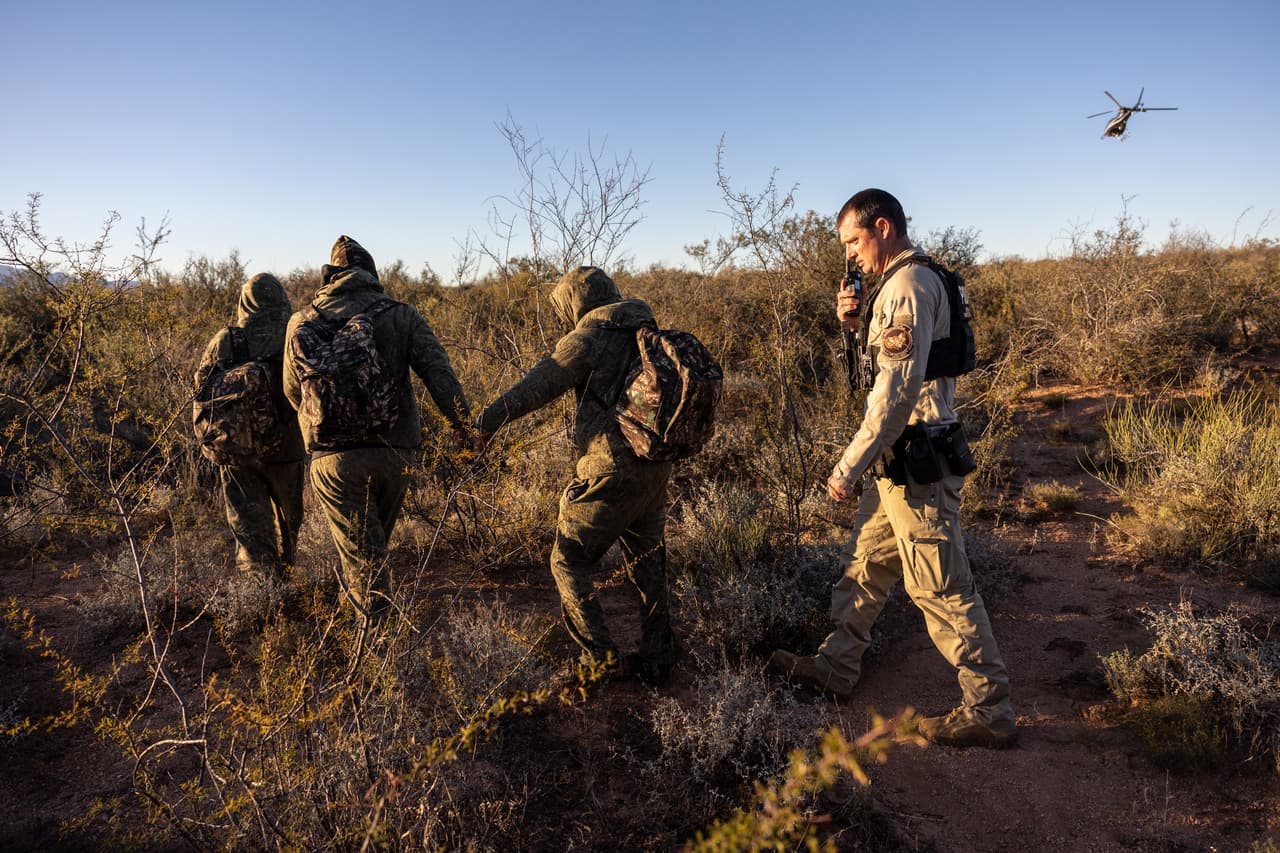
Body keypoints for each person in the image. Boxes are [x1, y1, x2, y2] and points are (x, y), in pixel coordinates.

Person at [768, 189, 1016, 748]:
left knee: (940, 586)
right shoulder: (916, 279)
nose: (850, 255)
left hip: (914, 456)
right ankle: (837, 664)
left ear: (882, 226)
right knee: (867, 562)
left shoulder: (905, 286)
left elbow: (895, 395)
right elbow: (896, 369)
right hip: (902, 458)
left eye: (854, 242)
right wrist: (854, 326)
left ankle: (990, 707)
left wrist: (846, 466)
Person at [475, 266, 680, 684]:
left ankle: (598, 662)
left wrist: (485, 421)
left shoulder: (588, 337)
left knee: (566, 559)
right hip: (655, 464)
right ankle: (659, 659)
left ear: (576, 302)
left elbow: (538, 385)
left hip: (611, 469)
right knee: (647, 562)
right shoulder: (648, 332)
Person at [282, 236, 471, 621]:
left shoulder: (300, 321)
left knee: (363, 557)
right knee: (371, 550)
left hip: (333, 458)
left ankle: (374, 653)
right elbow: (440, 376)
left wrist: (323, 418)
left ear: (331, 275)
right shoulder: (402, 315)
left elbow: (290, 390)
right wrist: (463, 427)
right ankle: (363, 632)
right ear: (371, 274)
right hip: (394, 451)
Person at [195, 272, 305, 584]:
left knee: (248, 526)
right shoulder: (293, 332)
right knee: (290, 524)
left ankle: (260, 588)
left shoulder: (227, 339)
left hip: (236, 449)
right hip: (286, 445)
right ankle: (290, 580)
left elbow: (200, 389)